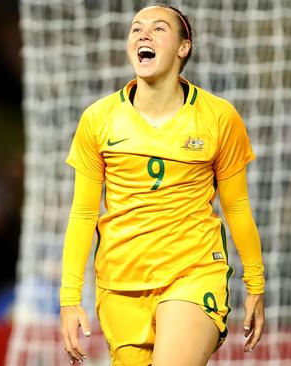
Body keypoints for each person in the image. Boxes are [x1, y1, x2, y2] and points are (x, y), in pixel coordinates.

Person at [59, 5, 265, 365]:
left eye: (158, 29)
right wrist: (69, 297)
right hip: (120, 283)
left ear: (183, 48)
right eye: (136, 29)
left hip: (193, 272)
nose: (143, 35)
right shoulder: (97, 119)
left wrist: (256, 285)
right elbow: (83, 214)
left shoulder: (219, 118)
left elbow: (237, 208)